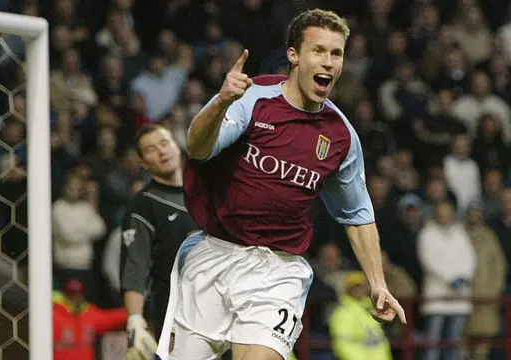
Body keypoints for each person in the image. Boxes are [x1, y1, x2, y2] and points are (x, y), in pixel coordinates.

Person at [156, 9, 406, 360]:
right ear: (294, 55)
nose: (329, 62)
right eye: (318, 50)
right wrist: (220, 103)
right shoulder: (251, 97)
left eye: (336, 54)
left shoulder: (340, 136)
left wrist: (378, 283)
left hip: (277, 271)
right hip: (214, 254)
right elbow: (198, 148)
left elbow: (358, 214)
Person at [119, 124, 199, 358]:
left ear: (177, 146)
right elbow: (135, 264)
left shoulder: (207, 192)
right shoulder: (143, 205)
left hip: (224, 308)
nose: (162, 151)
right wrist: (135, 320)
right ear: (143, 163)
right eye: (151, 149)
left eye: (165, 143)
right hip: (177, 318)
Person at [53, 278, 128, 360]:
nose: (75, 298)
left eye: (77, 294)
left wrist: (135, 315)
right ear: (65, 295)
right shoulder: (53, 315)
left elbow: (114, 320)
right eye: (71, 294)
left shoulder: (89, 314)